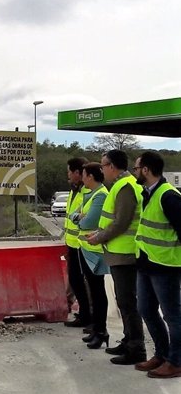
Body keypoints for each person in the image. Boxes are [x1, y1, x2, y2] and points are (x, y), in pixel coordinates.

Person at [87, 149, 146, 365]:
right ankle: (128, 340)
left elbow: (122, 223)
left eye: (103, 165)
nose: (102, 169)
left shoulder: (125, 187)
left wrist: (99, 237)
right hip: (118, 251)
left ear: (112, 166)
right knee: (124, 301)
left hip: (125, 252)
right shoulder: (121, 185)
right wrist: (99, 234)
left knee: (127, 302)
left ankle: (136, 349)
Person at [131, 151, 181, 378]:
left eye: (136, 168)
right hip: (146, 263)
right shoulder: (147, 193)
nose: (134, 172)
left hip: (165, 266)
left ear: (146, 170)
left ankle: (176, 361)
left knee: (172, 315)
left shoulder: (168, 196)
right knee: (146, 310)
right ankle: (162, 354)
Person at [75, 163, 110, 349]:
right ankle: (97, 330)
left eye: (84, 174)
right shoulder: (90, 194)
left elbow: (88, 221)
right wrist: (79, 217)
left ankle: (101, 330)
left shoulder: (101, 195)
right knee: (94, 293)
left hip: (95, 253)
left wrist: (80, 218)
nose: (82, 178)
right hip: (86, 249)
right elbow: (77, 216)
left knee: (98, 293)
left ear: (91, 176)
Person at [63, 157, 93, 330]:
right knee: (76, 281)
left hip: (84, 245)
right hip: (73, 244)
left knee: (88, 284)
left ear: (77, 173)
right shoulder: (74, 191)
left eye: (69, 171)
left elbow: (84, 218)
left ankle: (90, 316)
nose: (67, 175)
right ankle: (84, 315)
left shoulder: (86, 192)